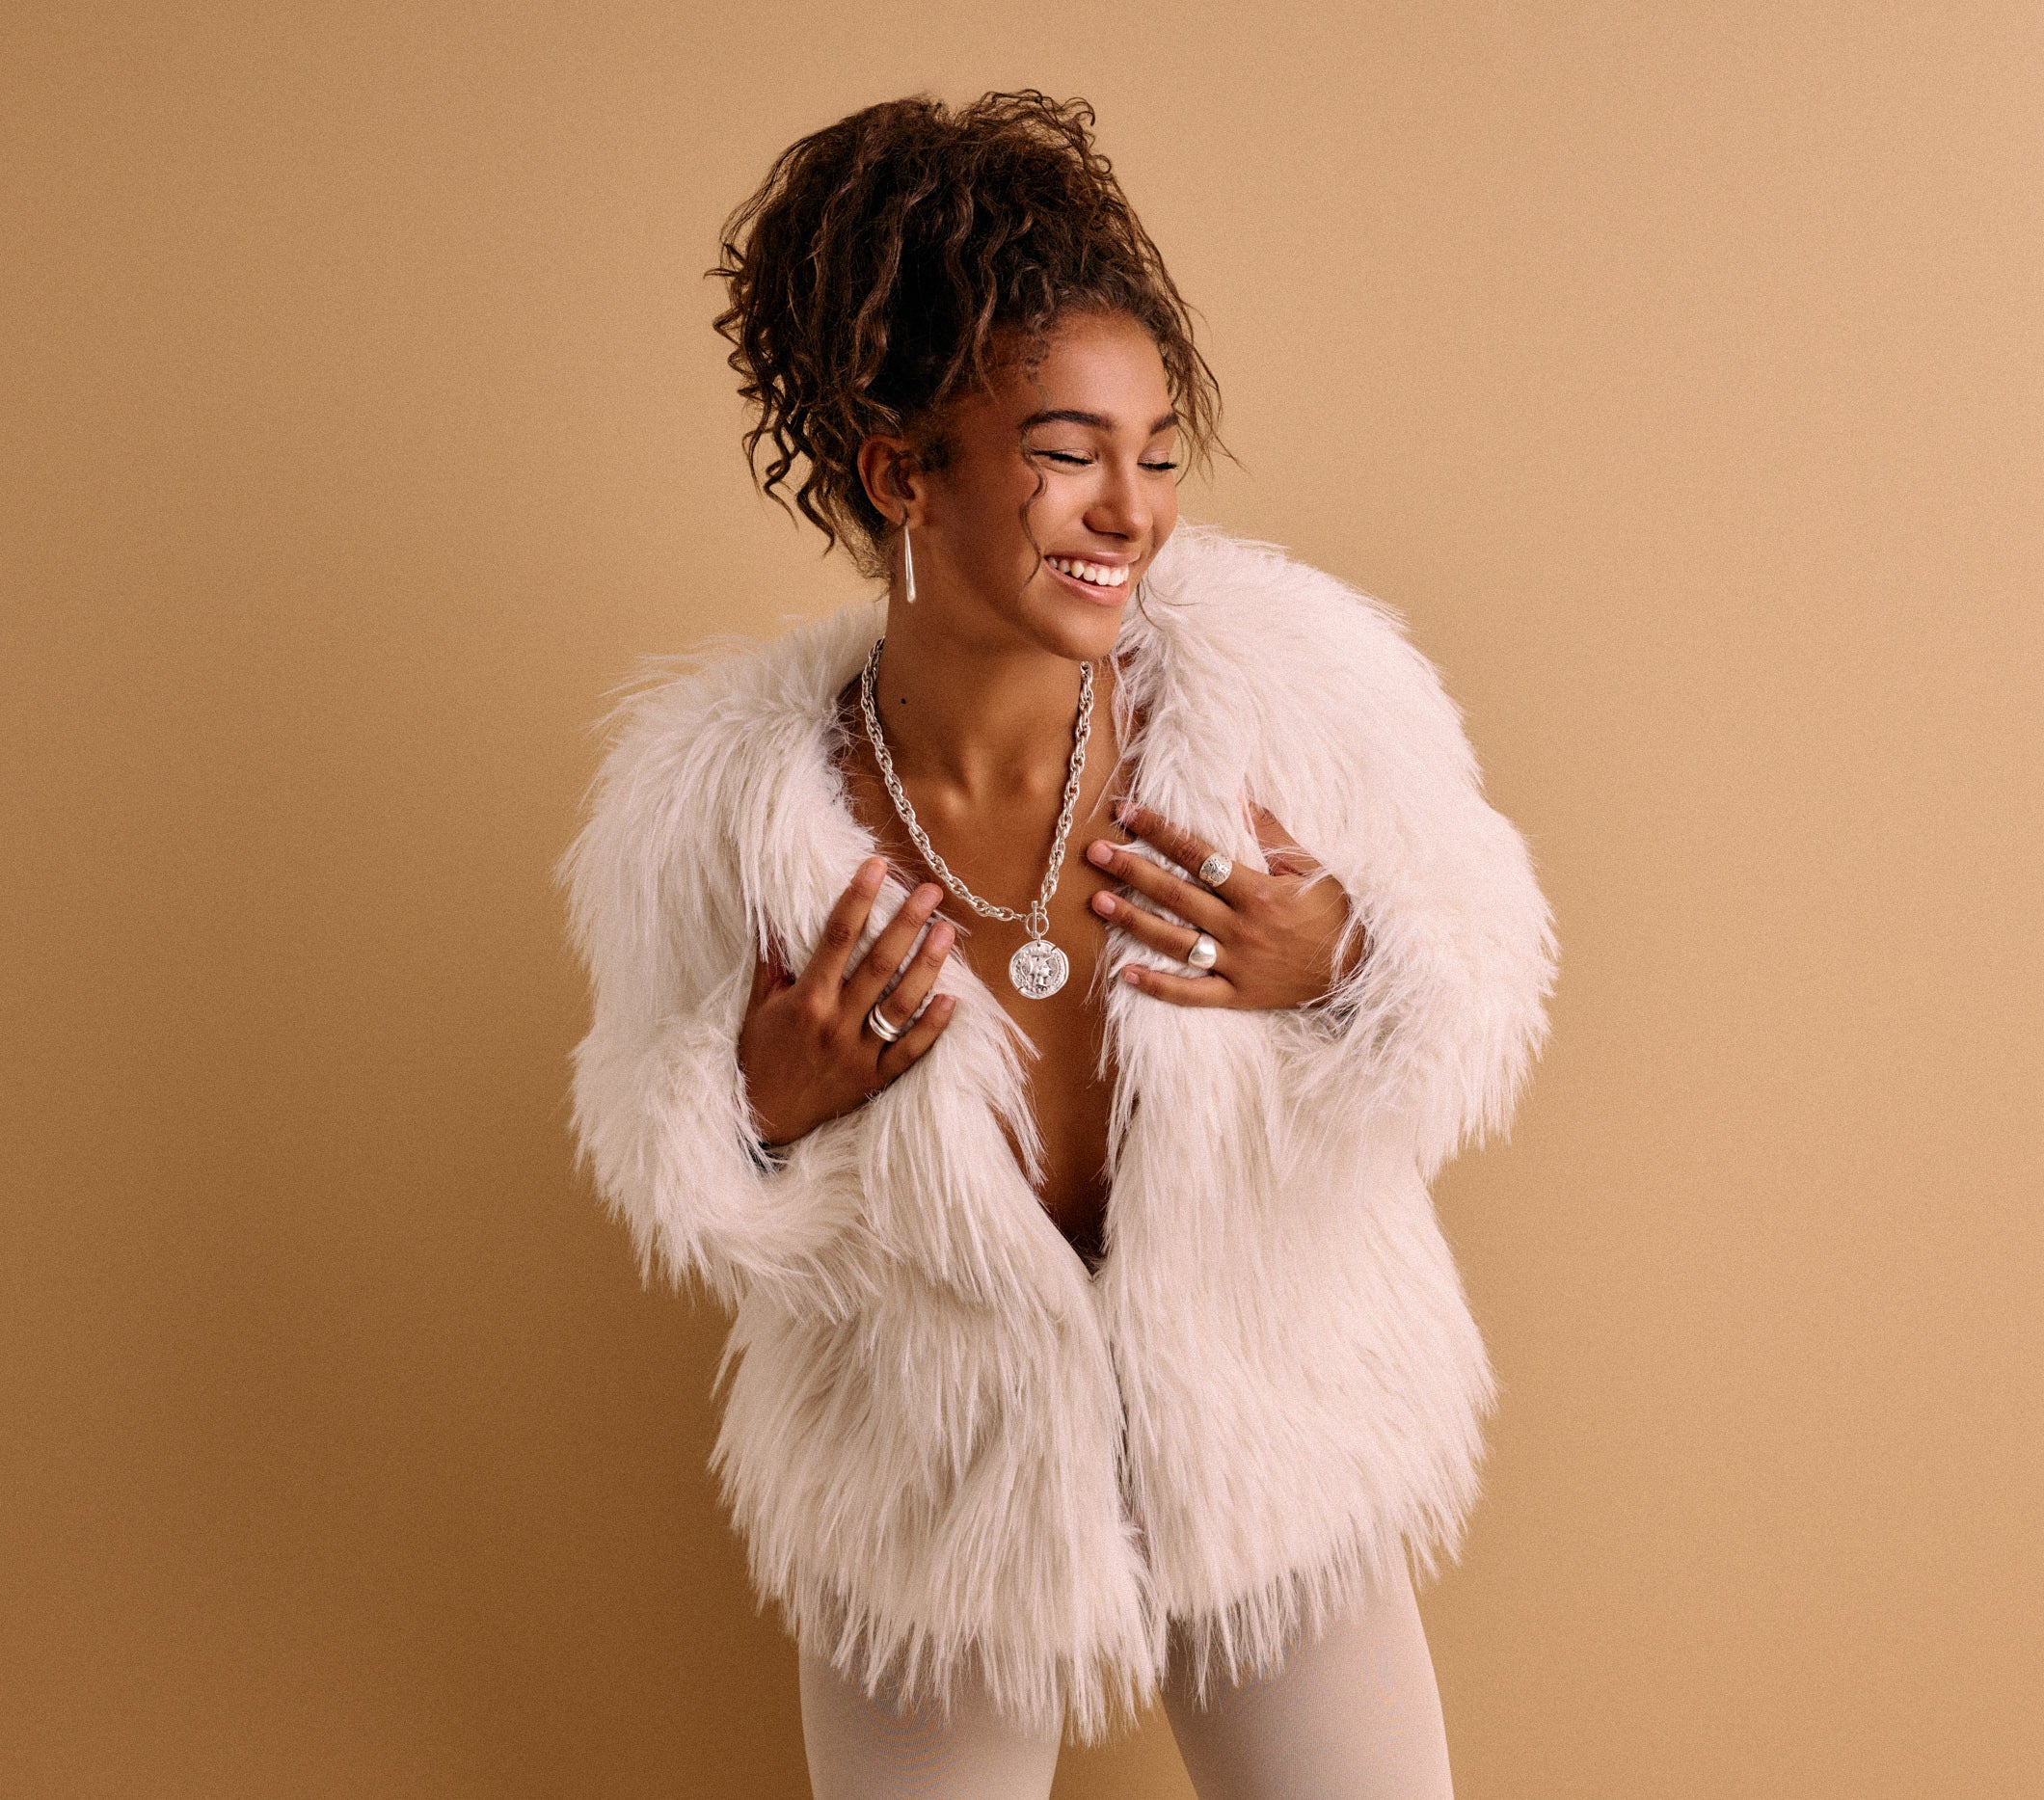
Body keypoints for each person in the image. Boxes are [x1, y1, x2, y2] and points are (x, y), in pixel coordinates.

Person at [561, 91, 1556, 1799]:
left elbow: (1481, 973)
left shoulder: (1292, 704)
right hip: (932, 1496)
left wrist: (1341, 962)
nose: (1130, 510)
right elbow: (667, 1151)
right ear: (903, 472)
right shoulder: (725, 812)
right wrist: (757, 1106)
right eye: (1068, 451)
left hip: (1279, 1431)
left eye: (1156, 453)